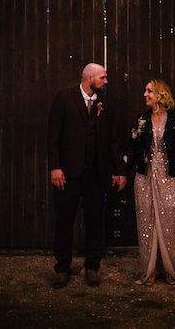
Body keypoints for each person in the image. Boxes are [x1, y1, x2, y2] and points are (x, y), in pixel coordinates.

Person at [47, 63, 127, 288]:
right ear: (89, 77)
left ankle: (93, 267)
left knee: (95, 222)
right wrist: (55, 167)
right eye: (103, 77)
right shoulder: (64, 98)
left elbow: (114, 140)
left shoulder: (106, 103)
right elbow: (53, 136)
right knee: (64, 221)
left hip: (96, 174)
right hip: (68, 174)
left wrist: (119, 170)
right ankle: (62, 267)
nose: (106, 81)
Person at [127, 78, 175, 286]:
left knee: (171, 223)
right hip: (145, 176)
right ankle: (150, 270)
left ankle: (171, 269)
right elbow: (132, 148)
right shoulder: (141, 120)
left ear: (160, 94)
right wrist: (121, 172)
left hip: (171, 176)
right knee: (147, 222)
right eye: (145, 91)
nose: (145, 94)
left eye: (149, 91)